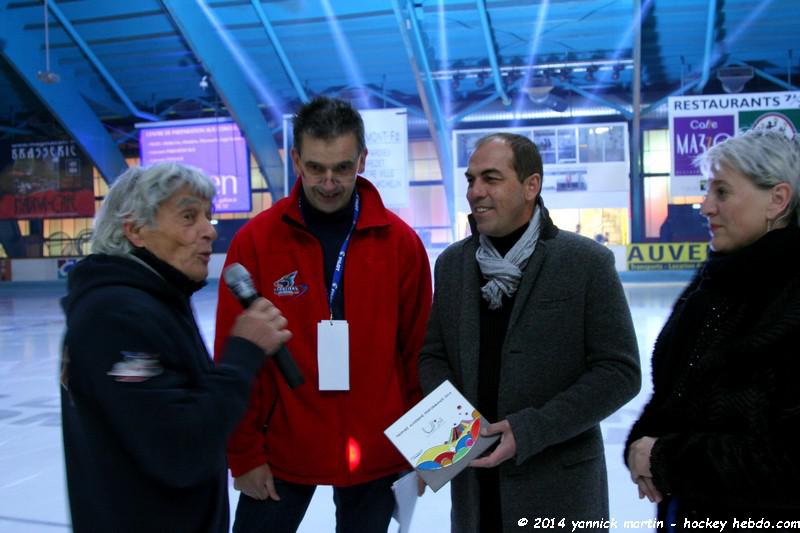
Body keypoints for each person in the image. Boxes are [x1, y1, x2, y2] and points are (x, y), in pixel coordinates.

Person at [214, 96, 432, 533]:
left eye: (342, 168)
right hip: (280, 450)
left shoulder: (401, 244)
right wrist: (243, 455)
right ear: (296, 159)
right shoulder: (255, 242)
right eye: (315, 168)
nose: (329, 183)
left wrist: (425, 451)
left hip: (377, 453)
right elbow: (233, 357)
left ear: (362, 160)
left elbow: (420, 354)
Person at [418, 132, 641, 532]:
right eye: (471, 180)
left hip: (558, 492)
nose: (475, 191)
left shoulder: (585, 263)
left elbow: (619, 372)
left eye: (491, 178)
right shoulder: (452, 265)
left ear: (530, 185)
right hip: (475, 494)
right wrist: (452, 431)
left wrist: (530, 430)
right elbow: (433, 355)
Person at [60, 162, 292, 532]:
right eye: (188, 217)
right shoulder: (115, 317)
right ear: (135, 230)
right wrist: (243, 353)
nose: (209, 231)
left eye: (207, 216)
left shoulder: (154, 300)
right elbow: (180, 449)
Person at [626, 128, 800, 526]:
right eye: (708, 191)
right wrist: (642, 443)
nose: (705, 207)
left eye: (722, 192)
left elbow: (789, 459)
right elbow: (676, 394)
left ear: (777, 200)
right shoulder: (714, 283)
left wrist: (666, 457)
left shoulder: (790, 301)